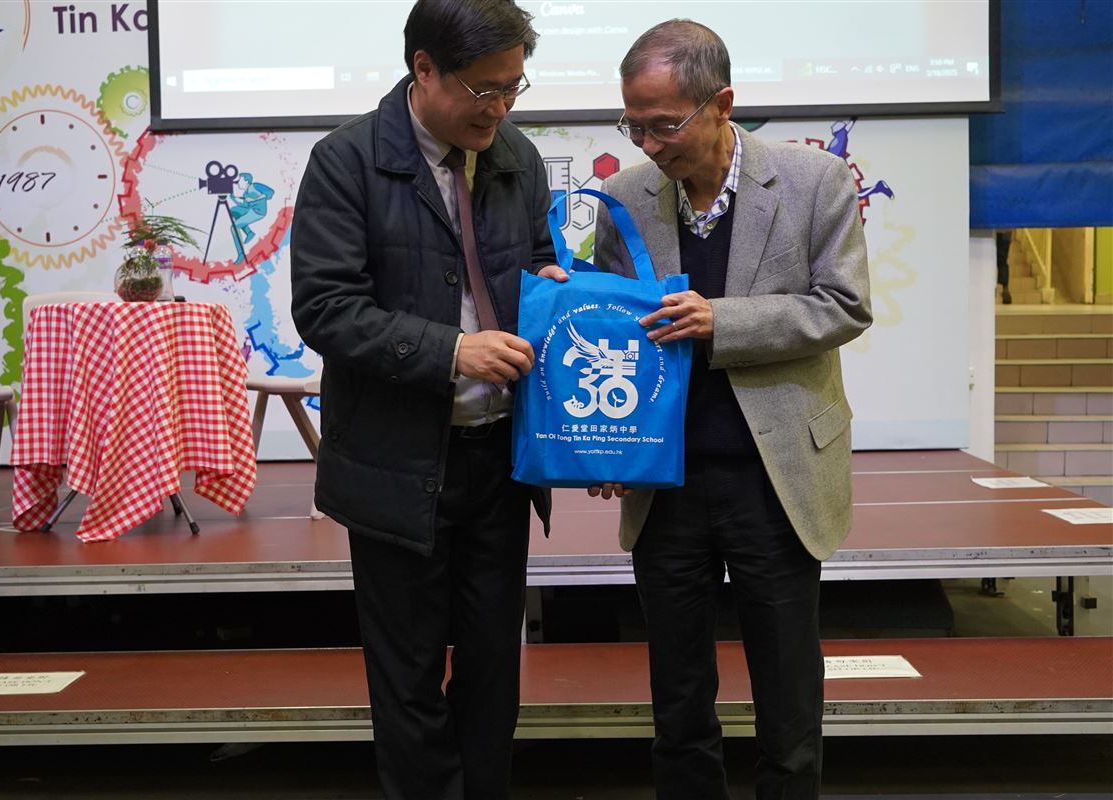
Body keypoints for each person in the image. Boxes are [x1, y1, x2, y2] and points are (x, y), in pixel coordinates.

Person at [586, 19, 872, 800]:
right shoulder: (624, 197)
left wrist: (723, 321)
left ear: (722, 104)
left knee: (787, 694)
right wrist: (609, 444)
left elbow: (844, 305)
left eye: (663, 125)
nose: (648, 144)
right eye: (633, 126)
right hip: (666, 481)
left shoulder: (815, 182)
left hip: (775, 475)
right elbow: (615, 332)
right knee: (678, 698)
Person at [289, 2, 558, 798]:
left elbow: (537, 258)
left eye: (513, 87)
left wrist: (551, 291)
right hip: (396, 463)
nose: (499, 108)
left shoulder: (517, 157)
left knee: (493, 666)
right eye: (483, 89)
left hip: (499, 460)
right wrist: (450, 351)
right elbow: (326, 309)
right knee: (406, 673)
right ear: (424, 69)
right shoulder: (346, 161)